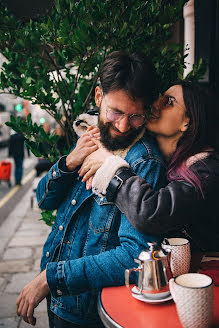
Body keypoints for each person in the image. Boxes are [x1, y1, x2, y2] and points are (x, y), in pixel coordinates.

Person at [16, 51, 168, 328]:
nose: (123, 126)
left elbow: (138, 256)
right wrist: (69, 162)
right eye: (115, 112)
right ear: (98, 97)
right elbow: (45, 200)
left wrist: (53, 277)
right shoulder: (87, 136)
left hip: (93, 312)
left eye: (135, 116)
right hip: (61, 301)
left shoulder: (143, 161)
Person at [79, 80, 219, 253]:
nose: (155, 104)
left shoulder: (205, 171)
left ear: (187, 122)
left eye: (169, 101)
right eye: (161, 97)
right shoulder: (161, 159)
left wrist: (111, 167)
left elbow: (152, 214)